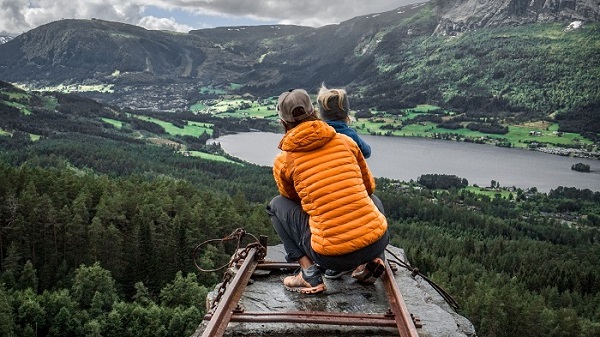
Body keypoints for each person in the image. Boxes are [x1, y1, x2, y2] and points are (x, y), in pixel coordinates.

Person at [266, 88, 389, 294]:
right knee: (372, 198)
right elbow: (368, 187)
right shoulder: (346, 142)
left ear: (283, 122)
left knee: (275, 206)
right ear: (314, 111)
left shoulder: (284, 161)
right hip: (377, 241)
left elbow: (292, 200)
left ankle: (309, 274)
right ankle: (374, 260)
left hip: (333, 257)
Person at [317, 83, 371, 158]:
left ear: (322, 115)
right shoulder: (350, 134)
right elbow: (367, 152)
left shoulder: (317, 133)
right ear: (346, 114)